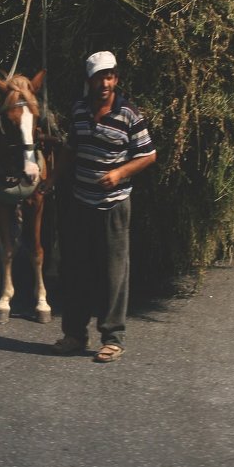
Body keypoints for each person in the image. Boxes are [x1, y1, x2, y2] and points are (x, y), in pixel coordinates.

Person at [46, 50, 156, 363]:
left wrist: (120, 172)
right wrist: (52, 178)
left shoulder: (129, 115)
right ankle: (74, 335)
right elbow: (70, 150)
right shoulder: (80, 111)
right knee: (76, 270)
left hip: (114, 206)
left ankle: (112, 338)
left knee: (113, 274)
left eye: (109, 76)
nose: (104, 83)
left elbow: (148, 155)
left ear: (116, 79)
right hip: (81, 204)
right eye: (98, 77)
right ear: (90, 82)